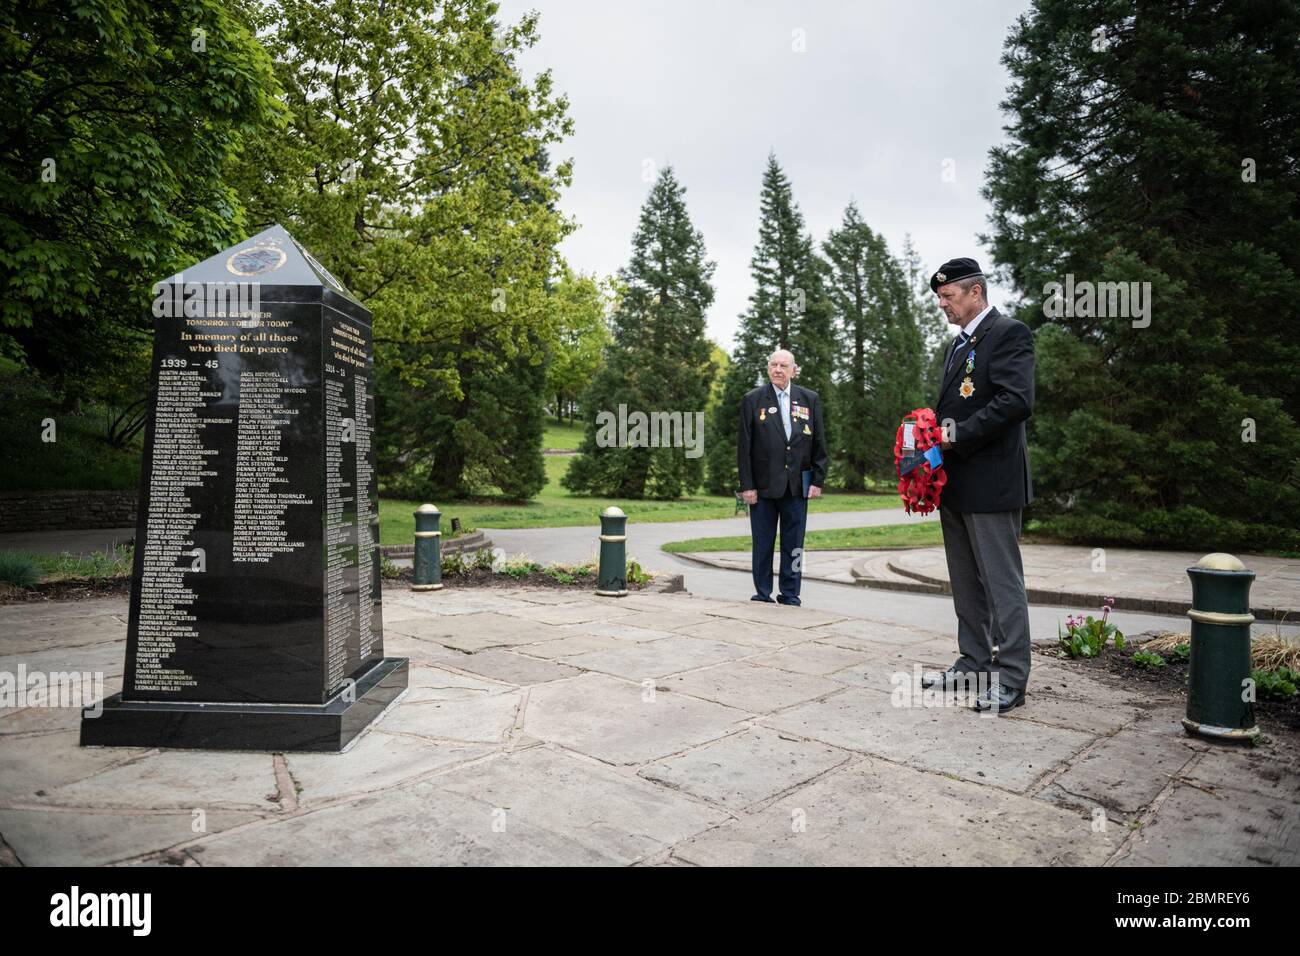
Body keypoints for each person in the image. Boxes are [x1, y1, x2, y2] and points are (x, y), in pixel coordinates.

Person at [919, 258, 1035, 713]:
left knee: (1001, 583)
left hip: (993, 483)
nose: (943, 305)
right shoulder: (958, 344)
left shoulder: (1009, 333)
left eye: (948, 297)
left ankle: (1011, 678)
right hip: (957, 483)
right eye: (940, 298)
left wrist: (954, 435)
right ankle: (973, 662)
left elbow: (1016, 401)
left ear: (975, 292)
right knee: (966, 582)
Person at [737, 349, 828, 606]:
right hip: (763, 487)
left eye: (783, 365)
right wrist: (747, 486)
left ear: (794, 370)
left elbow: (819, 441)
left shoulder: (809, 399)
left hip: (798, 485)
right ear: (768, 368)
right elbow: (744, 447)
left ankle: (790, 593)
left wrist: (818, 480)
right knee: (763, 542)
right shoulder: (753, 400)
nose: (778, 369)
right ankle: (762, 592)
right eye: (773, 365)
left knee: (795, 544)